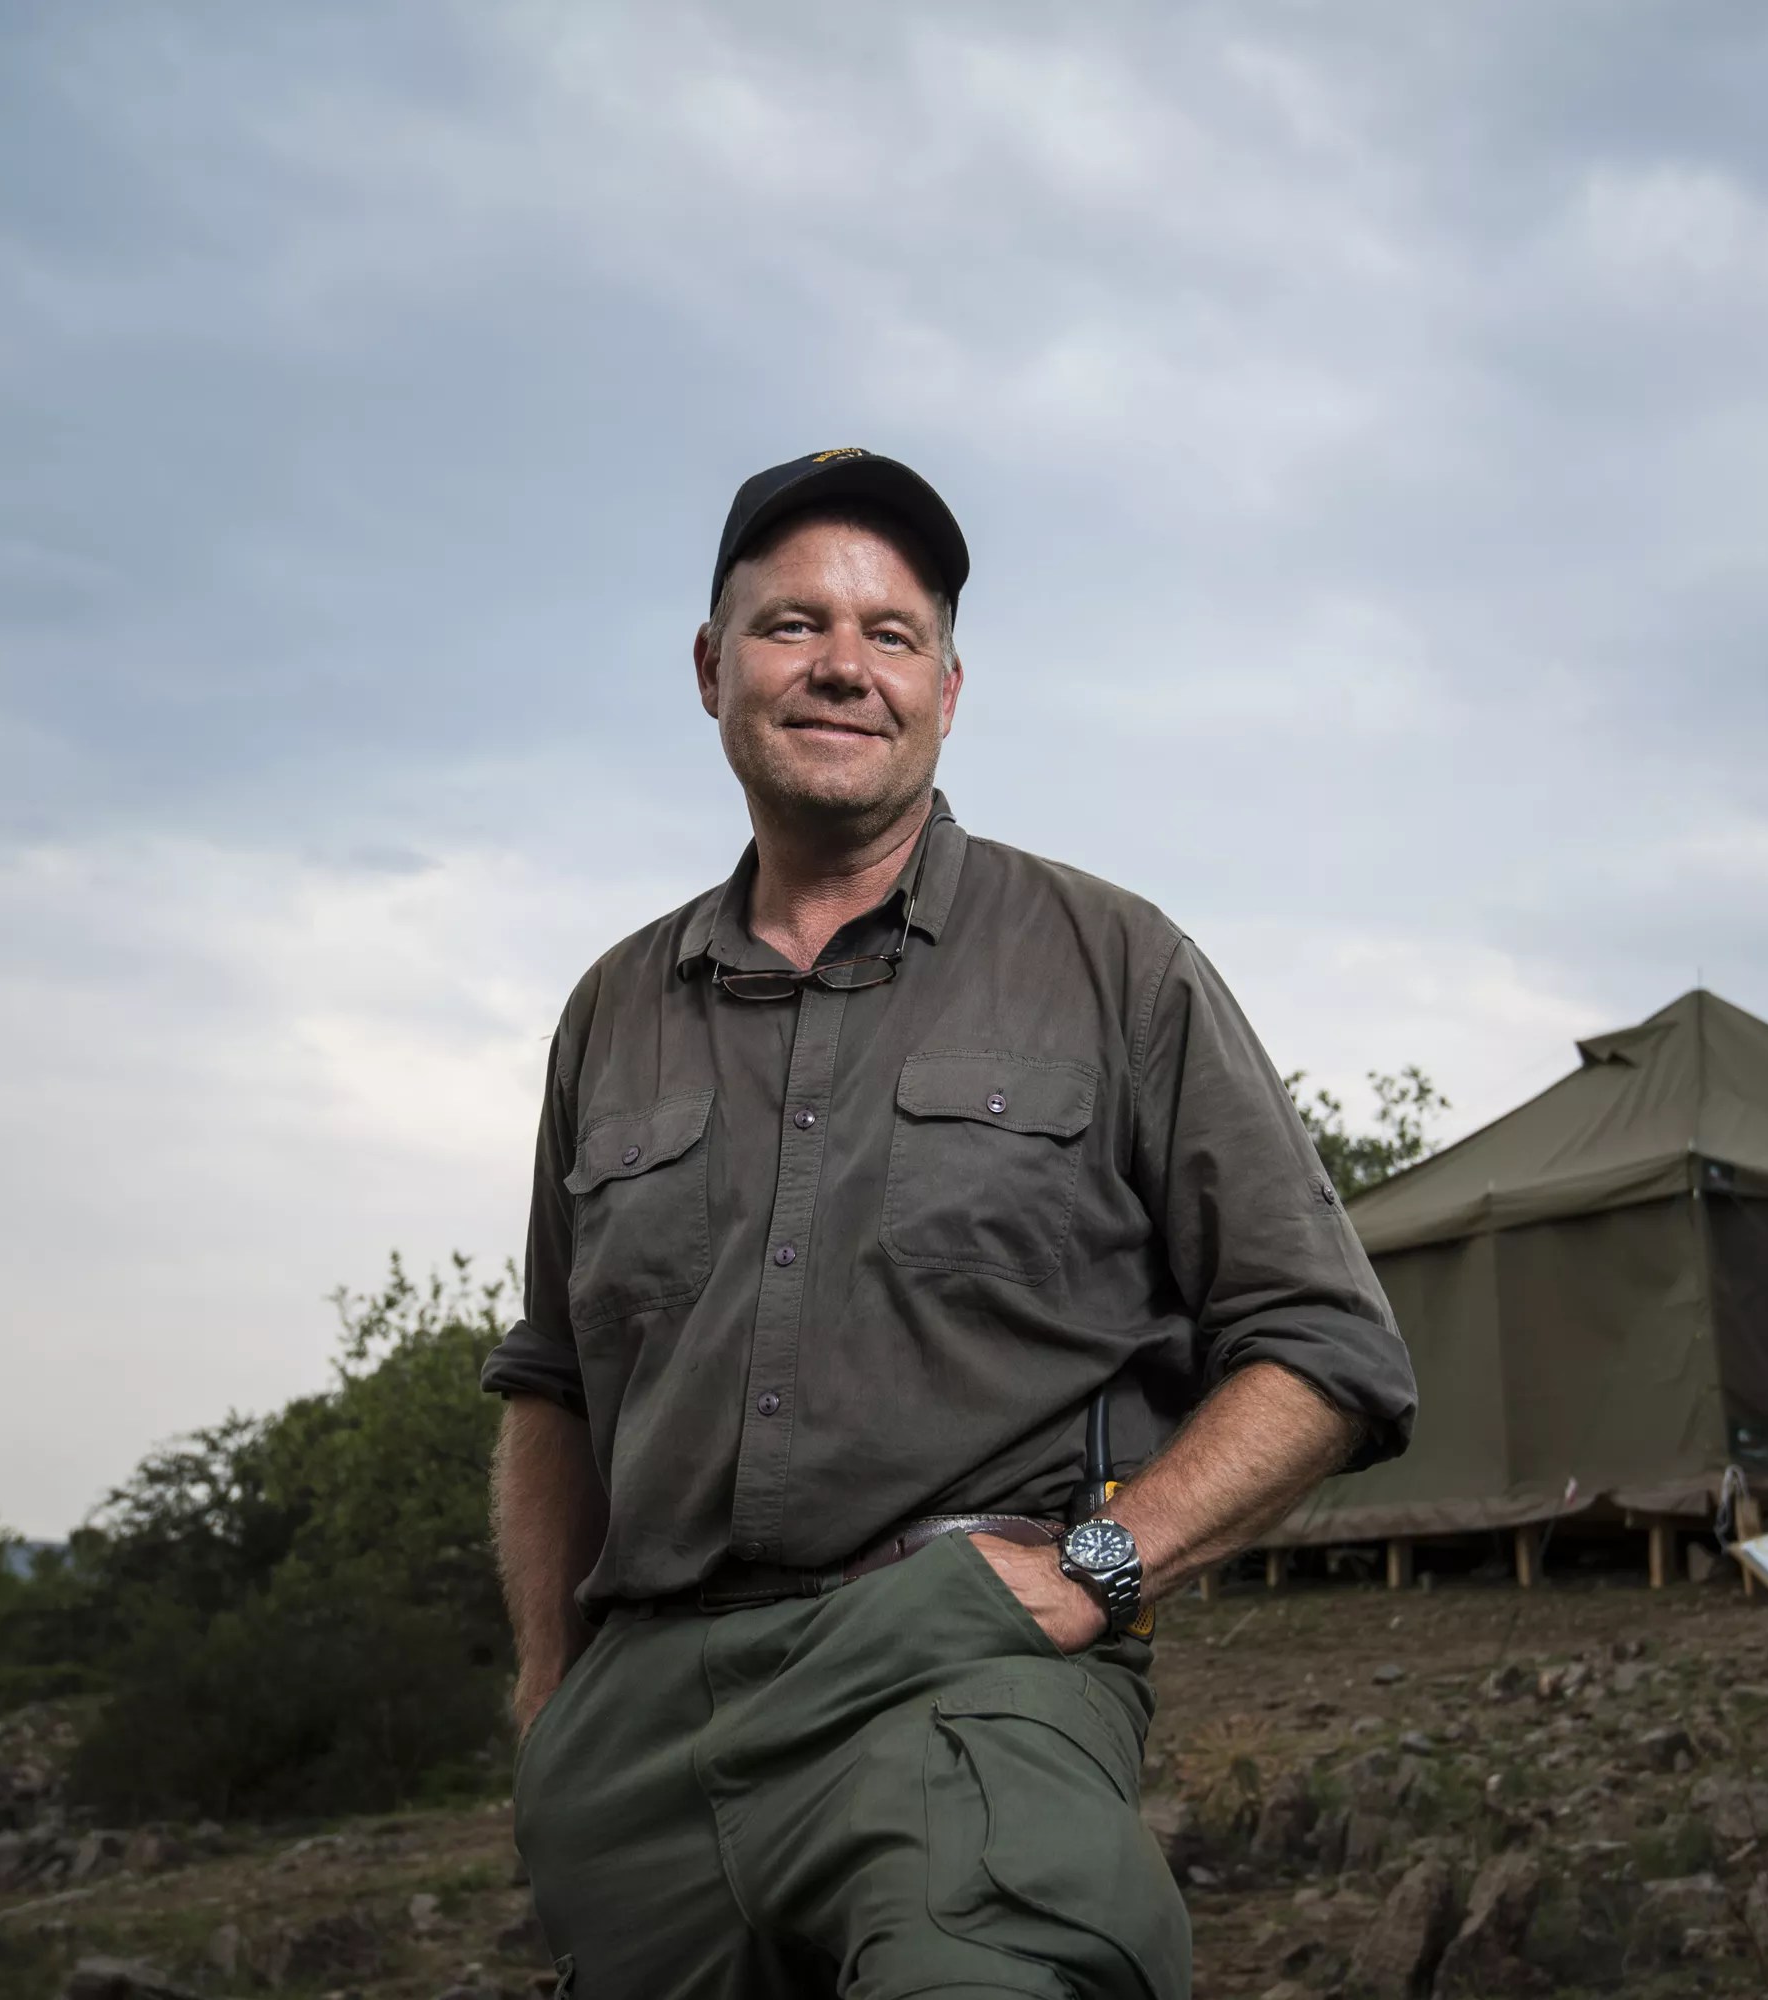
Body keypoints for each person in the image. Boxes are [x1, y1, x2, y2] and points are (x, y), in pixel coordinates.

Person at [480, 447, 1419, 2000]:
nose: (844, 665)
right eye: (793, 624)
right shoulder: (613, 1012)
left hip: (956, 1664)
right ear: (711, 669)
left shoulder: (1116, 963)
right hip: (645, 1733)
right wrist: (547, 1698)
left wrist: (1097, 1568)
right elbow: (555, 1383)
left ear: (948, 691)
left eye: (892, 634)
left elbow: (1327, 1344)